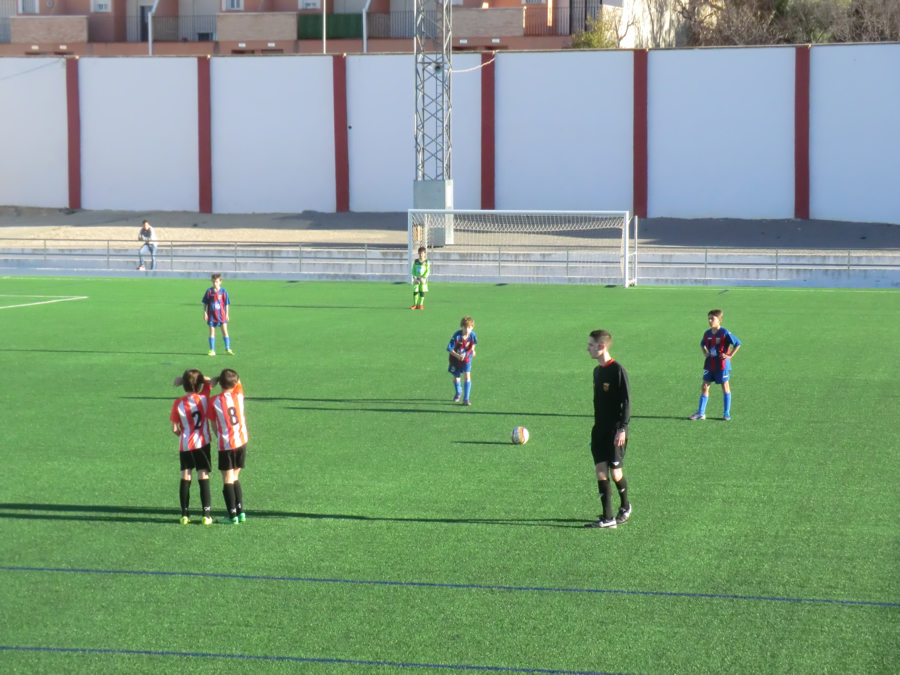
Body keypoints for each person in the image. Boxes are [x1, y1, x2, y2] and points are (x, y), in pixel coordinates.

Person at [584, 330, 631, 529]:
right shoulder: (597, 371)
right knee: (599, 471)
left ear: (601, 346)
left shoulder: (618, 370)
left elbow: (627, 402)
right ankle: (608, 517)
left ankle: (626, 506)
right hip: (599, 430)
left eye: (591, 345)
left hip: (615, 431)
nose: (587, 348)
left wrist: (622, 428)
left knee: (616, 474)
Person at [170, 369, 216, 525]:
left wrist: (184, 380)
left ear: (184, 386)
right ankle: (206, 515)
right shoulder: (204, 397)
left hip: (185, 444)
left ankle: (185, 514)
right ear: (199, 384)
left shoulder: (178, 403)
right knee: (203, 474)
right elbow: (209, 380)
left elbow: (175, 429)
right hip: (202, 443)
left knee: (185, 475)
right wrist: (187, 380)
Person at [207, 368, 249, 524]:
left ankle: (232, 516)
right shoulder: (239, 396)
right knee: (235, 477)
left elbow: (213, 425)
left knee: (227, 479)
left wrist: (216, 379)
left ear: (220, 384)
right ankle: (240, 511)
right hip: (242, 441)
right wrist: (224, 378)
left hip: (227, 444)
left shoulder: (214, 401)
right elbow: (238, 381)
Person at [689, 309, 741, 421]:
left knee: (725, 387)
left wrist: (730, 355)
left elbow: (737, 343)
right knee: (704, 386)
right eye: (709, 318)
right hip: (709, 364)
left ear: (719, 320)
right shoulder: (707, 333)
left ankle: (726, 412)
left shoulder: (724, 332)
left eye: (713, 318)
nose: (710, 320)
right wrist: (704, 353)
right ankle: (701, 413)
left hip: (722, 364)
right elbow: (702, 344)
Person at [447, 316, 477, 406]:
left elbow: (473, 343)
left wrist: (472, 350)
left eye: (469, 327)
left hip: (467, 358)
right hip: (455, 359)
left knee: (467, 376)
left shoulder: (472, 335)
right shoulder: (457, 336)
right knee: (457, 378)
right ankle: (458, 391)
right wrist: (457, 356)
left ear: (472, 327)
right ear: (462, 327)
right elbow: (449, 348)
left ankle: (466, 399)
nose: (467, 329)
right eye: (465, 327)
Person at [202, 273, 233, 356]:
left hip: (221, 315)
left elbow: (226, 303)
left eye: (216, 282)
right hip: (212, 315)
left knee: (225, 331)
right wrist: (204, 312)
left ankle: (228, 349)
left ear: (220, 282)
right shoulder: (209, 291)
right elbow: (205, 303)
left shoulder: (223, 291)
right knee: (212, 332)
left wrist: (227, 314)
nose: (215, 284)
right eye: (213, 282)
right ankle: (212, 350)